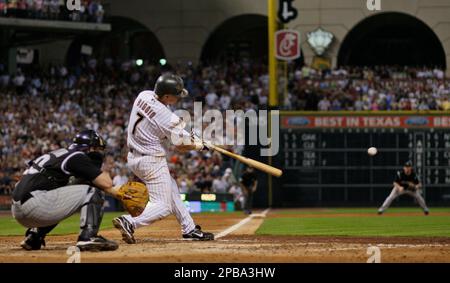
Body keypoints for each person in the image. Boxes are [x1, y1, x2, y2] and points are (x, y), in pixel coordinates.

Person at [112, 74, 214, 244]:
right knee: (163, 206)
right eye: (176, 95)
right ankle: (129, 222)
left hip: (134, 157)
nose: (178, 98)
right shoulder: (166, 116)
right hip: (151, 161)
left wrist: (190, 136)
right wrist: (201, 145)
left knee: (171, 187)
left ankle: (189, 228)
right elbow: (181, 145)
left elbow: (162, 127)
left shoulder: (143, 95)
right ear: (166, 96)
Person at [11, 130, 119, 251]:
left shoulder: (61, 154)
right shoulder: (77, 156)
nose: (100, 153)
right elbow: (106, 183)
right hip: (35, 204)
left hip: (17, 209)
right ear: (91, 147)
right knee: (93, 191)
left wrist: (121, 196)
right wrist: (107, 167)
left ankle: (34, 236)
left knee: (63, 196)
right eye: (98, 149)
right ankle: (88, 237)